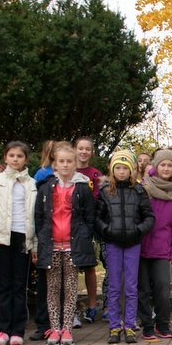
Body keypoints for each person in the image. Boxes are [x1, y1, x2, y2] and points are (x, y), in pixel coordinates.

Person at [35, 141, 96, 345]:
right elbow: (39, 217)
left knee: (70, 289)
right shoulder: (46, 188)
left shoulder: (82, 188)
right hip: (52, 245)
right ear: (55, 163)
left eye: (69, 161)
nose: (65, 165)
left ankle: (67, 328)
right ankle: (55, 329)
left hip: (72, 246)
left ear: (75, 163)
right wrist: (42, 239)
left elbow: (89, 216)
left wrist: (83, 236)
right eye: (61, 161)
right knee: (52, 289)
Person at [95, 150, 155, 343]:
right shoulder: (105, 191)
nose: (121, 172)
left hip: (132, 243)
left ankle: (129, 325)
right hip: (113, 243)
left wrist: (138, 231)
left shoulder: (138, 191)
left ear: (131, 170)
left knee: (130, 286)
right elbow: (97, 218)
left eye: (125, 168)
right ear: (113, 170)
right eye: (118, 168)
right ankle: (114, 326)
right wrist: (107, 230)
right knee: (114, 286)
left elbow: (149, 217)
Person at [0, 141, 37, 345]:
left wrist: (35, 245)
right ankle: (3, 329)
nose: (15, 159)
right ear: (5, 157)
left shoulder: (32, 184)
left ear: (26, 159)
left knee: (19, 285)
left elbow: (35, 217)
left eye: (19, 156)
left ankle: (17, 331)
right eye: (11, 155)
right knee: (3, 285)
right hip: (2, 238)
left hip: (23, 237)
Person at [139, 149, 172, 341]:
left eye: (170, 165)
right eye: (163, 165)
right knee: (143, 289)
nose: (166, 168)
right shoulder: (143, 188)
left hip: (162, 248)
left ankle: (162, 324)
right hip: (140, 246)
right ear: (156, 166)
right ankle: (146, 325)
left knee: (162, 287)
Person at [74, 136, 103, 324]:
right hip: (70, 226)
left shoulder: (95, 175)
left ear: (92, 152)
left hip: (89, 225)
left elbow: (98, 199)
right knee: (70, 268)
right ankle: (71, 309)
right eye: (80, 148)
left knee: (90, 267)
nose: (84, 152)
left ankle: (92, 306)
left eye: (87, 149)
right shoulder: (68, 170)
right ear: (75, 150)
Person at [30, 140, 54, 340]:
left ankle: (60, 324)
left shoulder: (75, 182)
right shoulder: (41, 177)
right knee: (44, 283)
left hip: (66, 239)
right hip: (46, 238)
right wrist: (37, 241)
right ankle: (43, 325)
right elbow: (37, 214)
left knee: (64, 285)